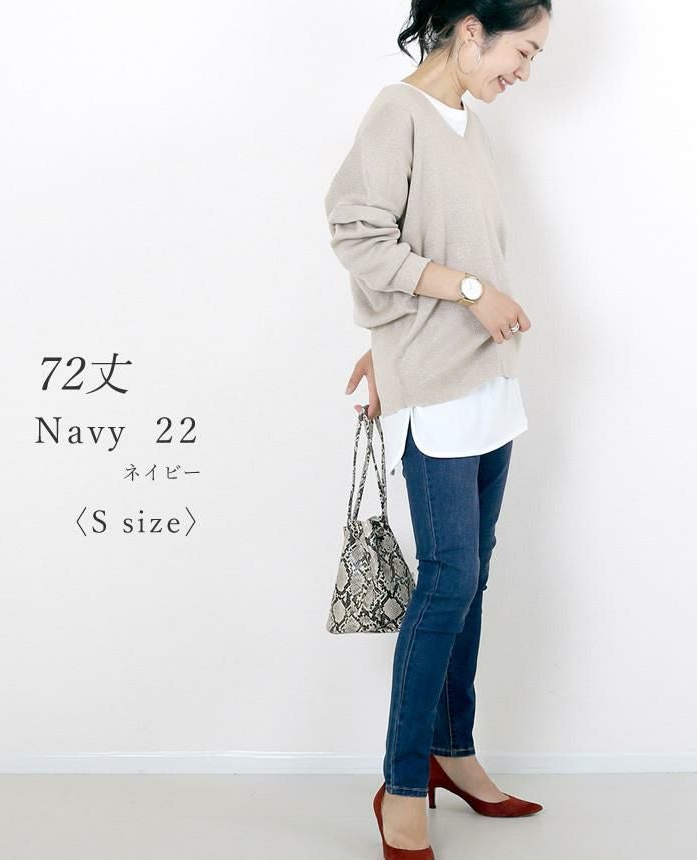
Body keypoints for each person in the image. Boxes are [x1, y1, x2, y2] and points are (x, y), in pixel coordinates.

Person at [324, 2, 553, 857]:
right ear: (470, 31)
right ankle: (403, 780)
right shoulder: (400, 113)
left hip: (489, 380)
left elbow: (421, 249)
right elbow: (359, 235)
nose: (524, 72)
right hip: (442, 393)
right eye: (522, 51)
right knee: (450, 577)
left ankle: (453, 750)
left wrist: (387, 341)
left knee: (474, 574)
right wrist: (469, 294)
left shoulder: (466, 125)